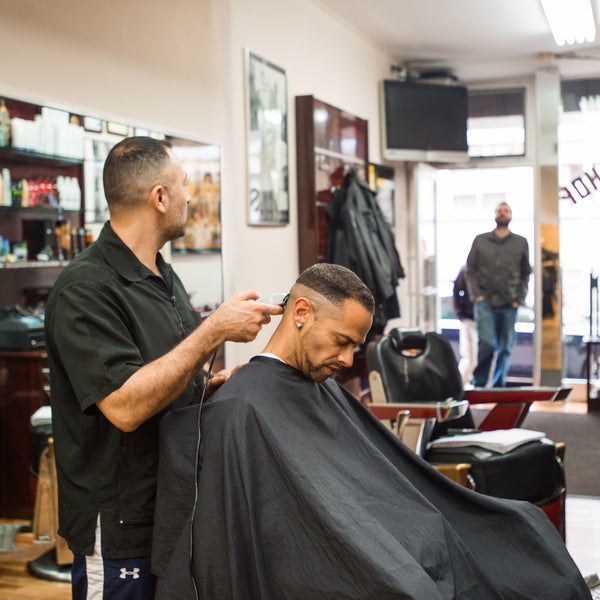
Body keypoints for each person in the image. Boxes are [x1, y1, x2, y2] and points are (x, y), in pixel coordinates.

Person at [151, 263, 589, 600]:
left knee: (523, 530)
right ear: (300, 313)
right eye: (341, 341)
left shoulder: (320, 388)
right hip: (340, 558)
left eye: (355, 347)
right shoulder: (238, 409)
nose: (346, 360)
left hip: (390, 534)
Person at [44, 136, 283, 600]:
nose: (190, 197)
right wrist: (213, 330)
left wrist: (210, 387)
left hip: (172, 507)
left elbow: (167, 375)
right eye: (184, 185)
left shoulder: (160, 276)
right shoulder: (85, 289)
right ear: (159, 197)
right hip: (120, 523)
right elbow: (126, 407)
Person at [465, 202, 531, 387]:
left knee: (505, 348)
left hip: (510, 302)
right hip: (484, 301)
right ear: (494, 215)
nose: (502, 213)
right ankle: (479, 384)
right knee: (487, 343)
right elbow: (470, 270)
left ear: (511, 215)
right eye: (499, 210)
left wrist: (519, 298)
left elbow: (526, 273)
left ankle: (497, 387)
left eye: (506, 210)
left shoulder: (521, 242)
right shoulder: (480, 240)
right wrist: (476, 295)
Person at [452, 264, 477, 386]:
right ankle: (459, 385)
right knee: (468, 357)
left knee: (477, 357)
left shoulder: (490, 268)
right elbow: (456, 290)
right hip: (468, 317)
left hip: (483, 319)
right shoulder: (465, 269)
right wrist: (460, 313)